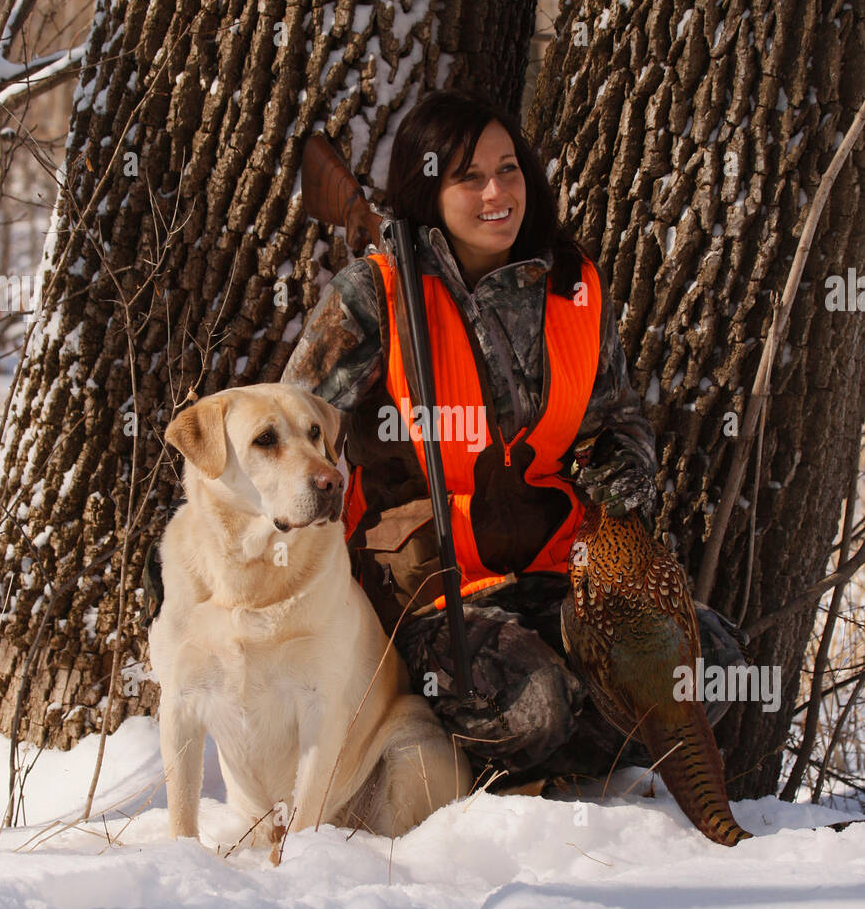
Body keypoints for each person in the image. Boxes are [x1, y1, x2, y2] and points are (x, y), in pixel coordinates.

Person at [281, 89, 738, 791]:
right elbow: (291, 441)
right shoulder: (374, 294)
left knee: (716, 667)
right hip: (431, 597)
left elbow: (617, 418)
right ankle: (455, 762)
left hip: (564, 577)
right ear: (425, 187)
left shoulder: (570, 282)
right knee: (533, 707)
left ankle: (556, 762)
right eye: (468, 177)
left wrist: (626, 465)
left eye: (509, 169)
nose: (497, 193)